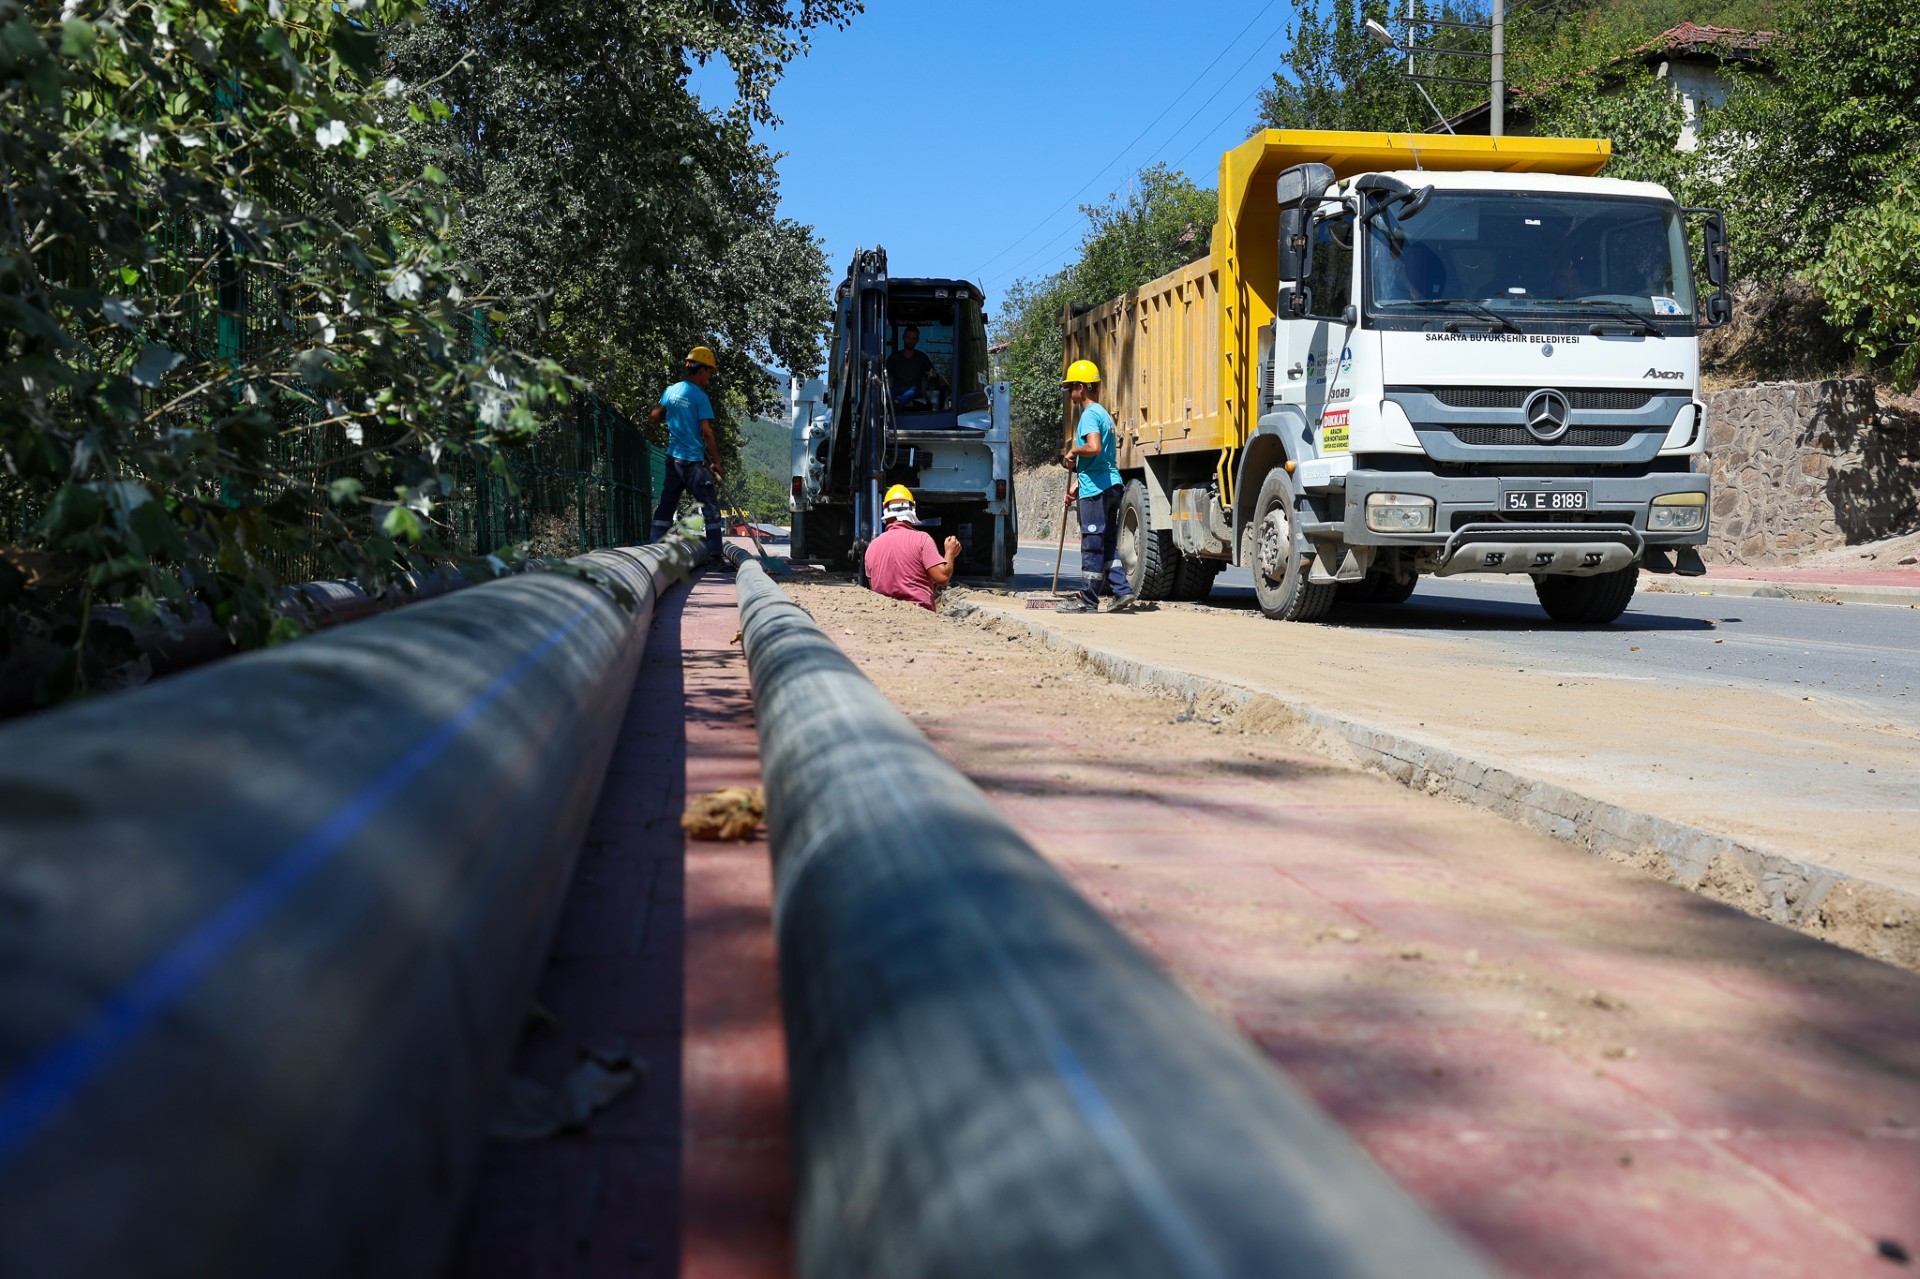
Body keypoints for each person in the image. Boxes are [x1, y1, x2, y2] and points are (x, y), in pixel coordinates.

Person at [1057, 359, 1135, 614]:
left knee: (1092, 542)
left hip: (1097, 492)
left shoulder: (1089, 415)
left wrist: (1073, 451)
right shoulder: (1103, 413)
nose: (1069, 393)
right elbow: (1101, 461)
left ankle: (1088, 600)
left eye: (1070, 388)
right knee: (1108, 543)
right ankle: (1122, 592)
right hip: (1111, 485)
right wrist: (1077, 485)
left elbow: (1094, 448)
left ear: (1081, 387)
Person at [649, 345, 725, 562]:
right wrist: (717, 462)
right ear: (701, 370)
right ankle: (715, 557)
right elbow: (707, 432)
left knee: (666, 506)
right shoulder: (700, 397)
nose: (708, 377)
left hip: (672, 459)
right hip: (691, 462)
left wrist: (676, 415)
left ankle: (653, 551)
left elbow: (654, 417)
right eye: (709, 373)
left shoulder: (671, 391)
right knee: (710, 509)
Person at [863, 484, 961, 611]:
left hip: (884, 614)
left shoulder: (872, 547)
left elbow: (875, 588)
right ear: (913, 507)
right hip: (920, 614)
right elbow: (942, 577)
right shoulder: (922, 539)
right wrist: (950, 553)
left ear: (884, 508)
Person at [886, 326, 943, 408]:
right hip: (897, 389)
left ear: (917, 340)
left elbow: (931, 373)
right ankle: (899, 402)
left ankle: (898, 402)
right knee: (888, 392)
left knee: (913, 390)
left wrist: (931, 375)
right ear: (903, 338)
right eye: (908, 338)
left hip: (914, 391)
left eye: (913, 339)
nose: (910, 341)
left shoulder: (921, 357)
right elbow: (885, 372)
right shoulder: (894, 357)